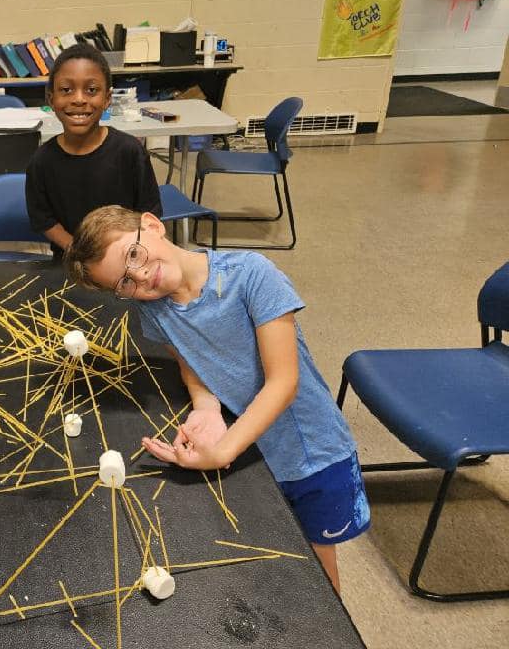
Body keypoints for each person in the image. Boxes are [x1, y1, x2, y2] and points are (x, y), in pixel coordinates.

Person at [64, 206, 370, 594]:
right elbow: (188, 358)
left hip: (314, 457)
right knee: (273, 561)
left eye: (134, 254)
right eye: (124, 282)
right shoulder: (154, 308)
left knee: (316, 578)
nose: (140, 276)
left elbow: (284, 382)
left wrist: (222, 450)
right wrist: (205, 405)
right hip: (255, 453)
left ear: (153, 226)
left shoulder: (252, 274)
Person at [25, 43, 161, 258]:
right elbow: (44, 219)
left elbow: (148, 213)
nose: (79, 99)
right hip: (71, 261)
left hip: (126, 259)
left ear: (107, 99)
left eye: (91, 90)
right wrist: (78, 251)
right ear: (51, 99)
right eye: (66, 90)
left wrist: (123, 252)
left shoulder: (130, 151)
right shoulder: (41, 162)